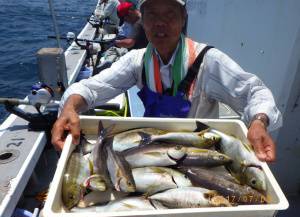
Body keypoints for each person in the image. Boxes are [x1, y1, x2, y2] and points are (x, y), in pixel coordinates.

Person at [52, 0, 282, 163]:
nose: (160, 23)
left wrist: (259, 121)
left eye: (170, 14)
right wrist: (71, 107)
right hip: (152, 151)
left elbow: (255, 92)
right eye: (152, 15)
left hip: (200, 156)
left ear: (183, 19)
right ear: (143, 20)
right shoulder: (137, 60)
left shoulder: (208, 61)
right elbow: (92, 88)